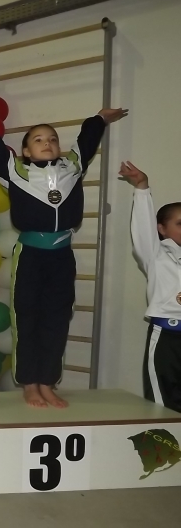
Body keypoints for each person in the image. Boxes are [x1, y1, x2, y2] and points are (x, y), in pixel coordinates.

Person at [0, 104, 127, 408]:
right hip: (30, 256)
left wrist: (100, 118)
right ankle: (30, 384)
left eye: (52, 139)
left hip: (61, 256)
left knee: (57, 319)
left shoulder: (72, 167)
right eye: (38, 140)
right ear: (26, 151)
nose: (47, 143)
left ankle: (47, 383)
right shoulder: (15, 171)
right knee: (27, 319)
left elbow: (87, 139)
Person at [120, 161, 181, 413]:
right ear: (162, 229)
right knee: (163, 405)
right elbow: (143, 230)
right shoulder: (156, 255)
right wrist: (142, 188)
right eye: (180, 223)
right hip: (167, 337)